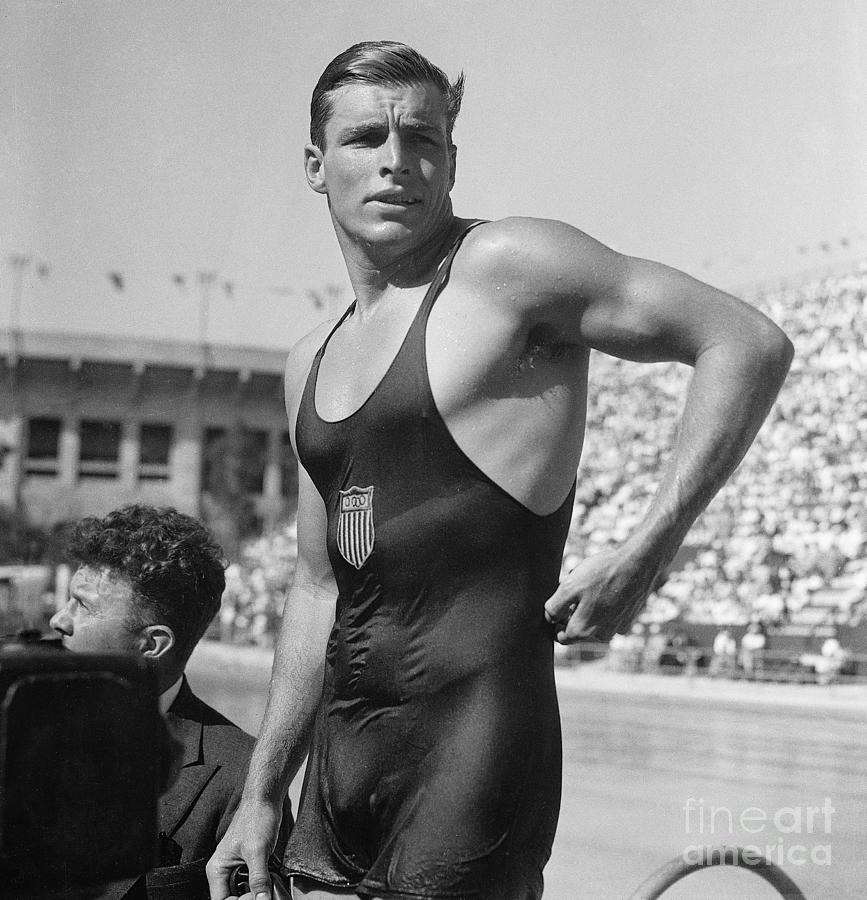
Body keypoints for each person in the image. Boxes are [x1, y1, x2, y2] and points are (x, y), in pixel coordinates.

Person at [207, 41, 793, 900]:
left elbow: (743, 341)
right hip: (341, 764)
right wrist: (262, 794)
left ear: (450, 160)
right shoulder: (311, 359)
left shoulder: (505, 267)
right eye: (367, 138)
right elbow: (316, 586)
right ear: (314, 164)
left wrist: (647, 548)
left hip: (476, 745)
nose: (397, 163)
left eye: (425, 140)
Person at [50, 504, 292, 898]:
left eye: (84, 605)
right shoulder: (17, 727)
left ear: (152, 644)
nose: (59, 620)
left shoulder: (248, 779)